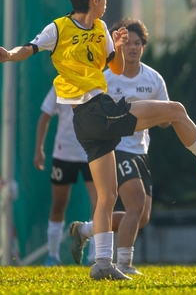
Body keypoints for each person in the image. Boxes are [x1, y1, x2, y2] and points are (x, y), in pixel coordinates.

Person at [0, 0, 196, 280]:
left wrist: (120, 46)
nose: (107, 2)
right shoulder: (59, 28)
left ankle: (102, 264)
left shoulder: (101, 30)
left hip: (88, 123)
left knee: (108, 196)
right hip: (96, 111)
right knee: (176, 110)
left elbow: (117, 68)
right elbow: (29, 48)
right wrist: (8, 54)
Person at [68, 18, 169, 275]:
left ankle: (85, 230)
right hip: (115, 146)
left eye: (137, 43)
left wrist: (160, 117)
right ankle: (124, 263)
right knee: (135, 204)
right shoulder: (106, 77)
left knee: (141, 217)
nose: (132, 48)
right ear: (117, 47)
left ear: (143, 47)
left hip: (141, 150)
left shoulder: (154, 79)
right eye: (127, 44)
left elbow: (165, 118)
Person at [34, 86, 97, 266]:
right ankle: (53, 256)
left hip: (91, 153)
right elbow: (45, 116)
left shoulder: (97, 82)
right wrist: (38, 149)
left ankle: (95, 257)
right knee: (58, 204)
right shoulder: (60, 84)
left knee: (99, 203)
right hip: (64, 153)